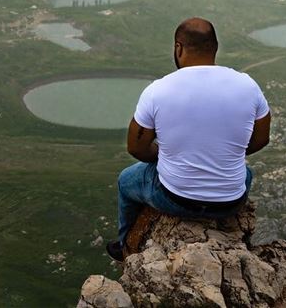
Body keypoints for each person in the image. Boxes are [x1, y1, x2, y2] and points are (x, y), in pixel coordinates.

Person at [106, 17, 271, 261]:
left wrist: (167, 155)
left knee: (126, 180)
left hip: (175, 199)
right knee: (246, 173)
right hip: (230, 201)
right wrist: (223, 155)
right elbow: (261, 139)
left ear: (178, 48)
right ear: (215, 48)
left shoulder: (158, 90)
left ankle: (125, 245)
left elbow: (136, 146)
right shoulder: (248, 86)